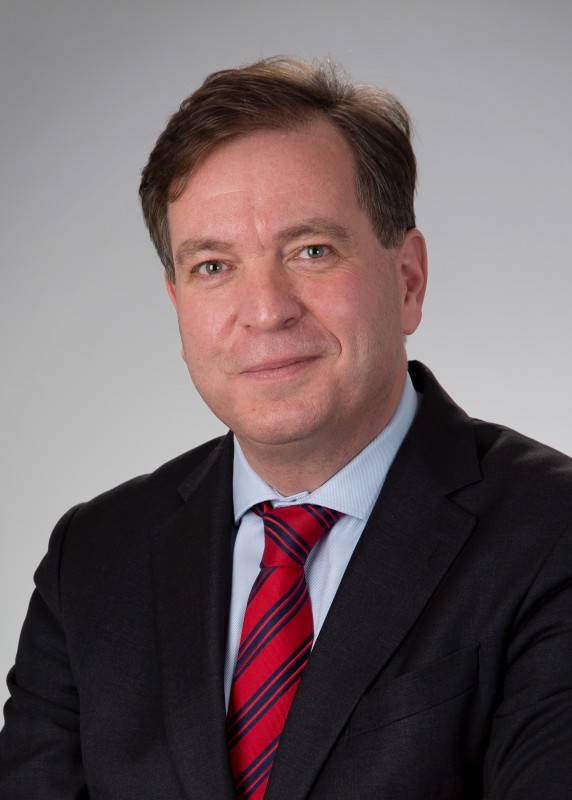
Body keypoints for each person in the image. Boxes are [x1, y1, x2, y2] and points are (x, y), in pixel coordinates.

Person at [0, 56, 571, 800]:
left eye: (311, 251)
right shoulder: (94, 560)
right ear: (177, 303)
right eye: (213, 266)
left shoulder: (551, 533)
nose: (266, 310)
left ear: (407, 280)